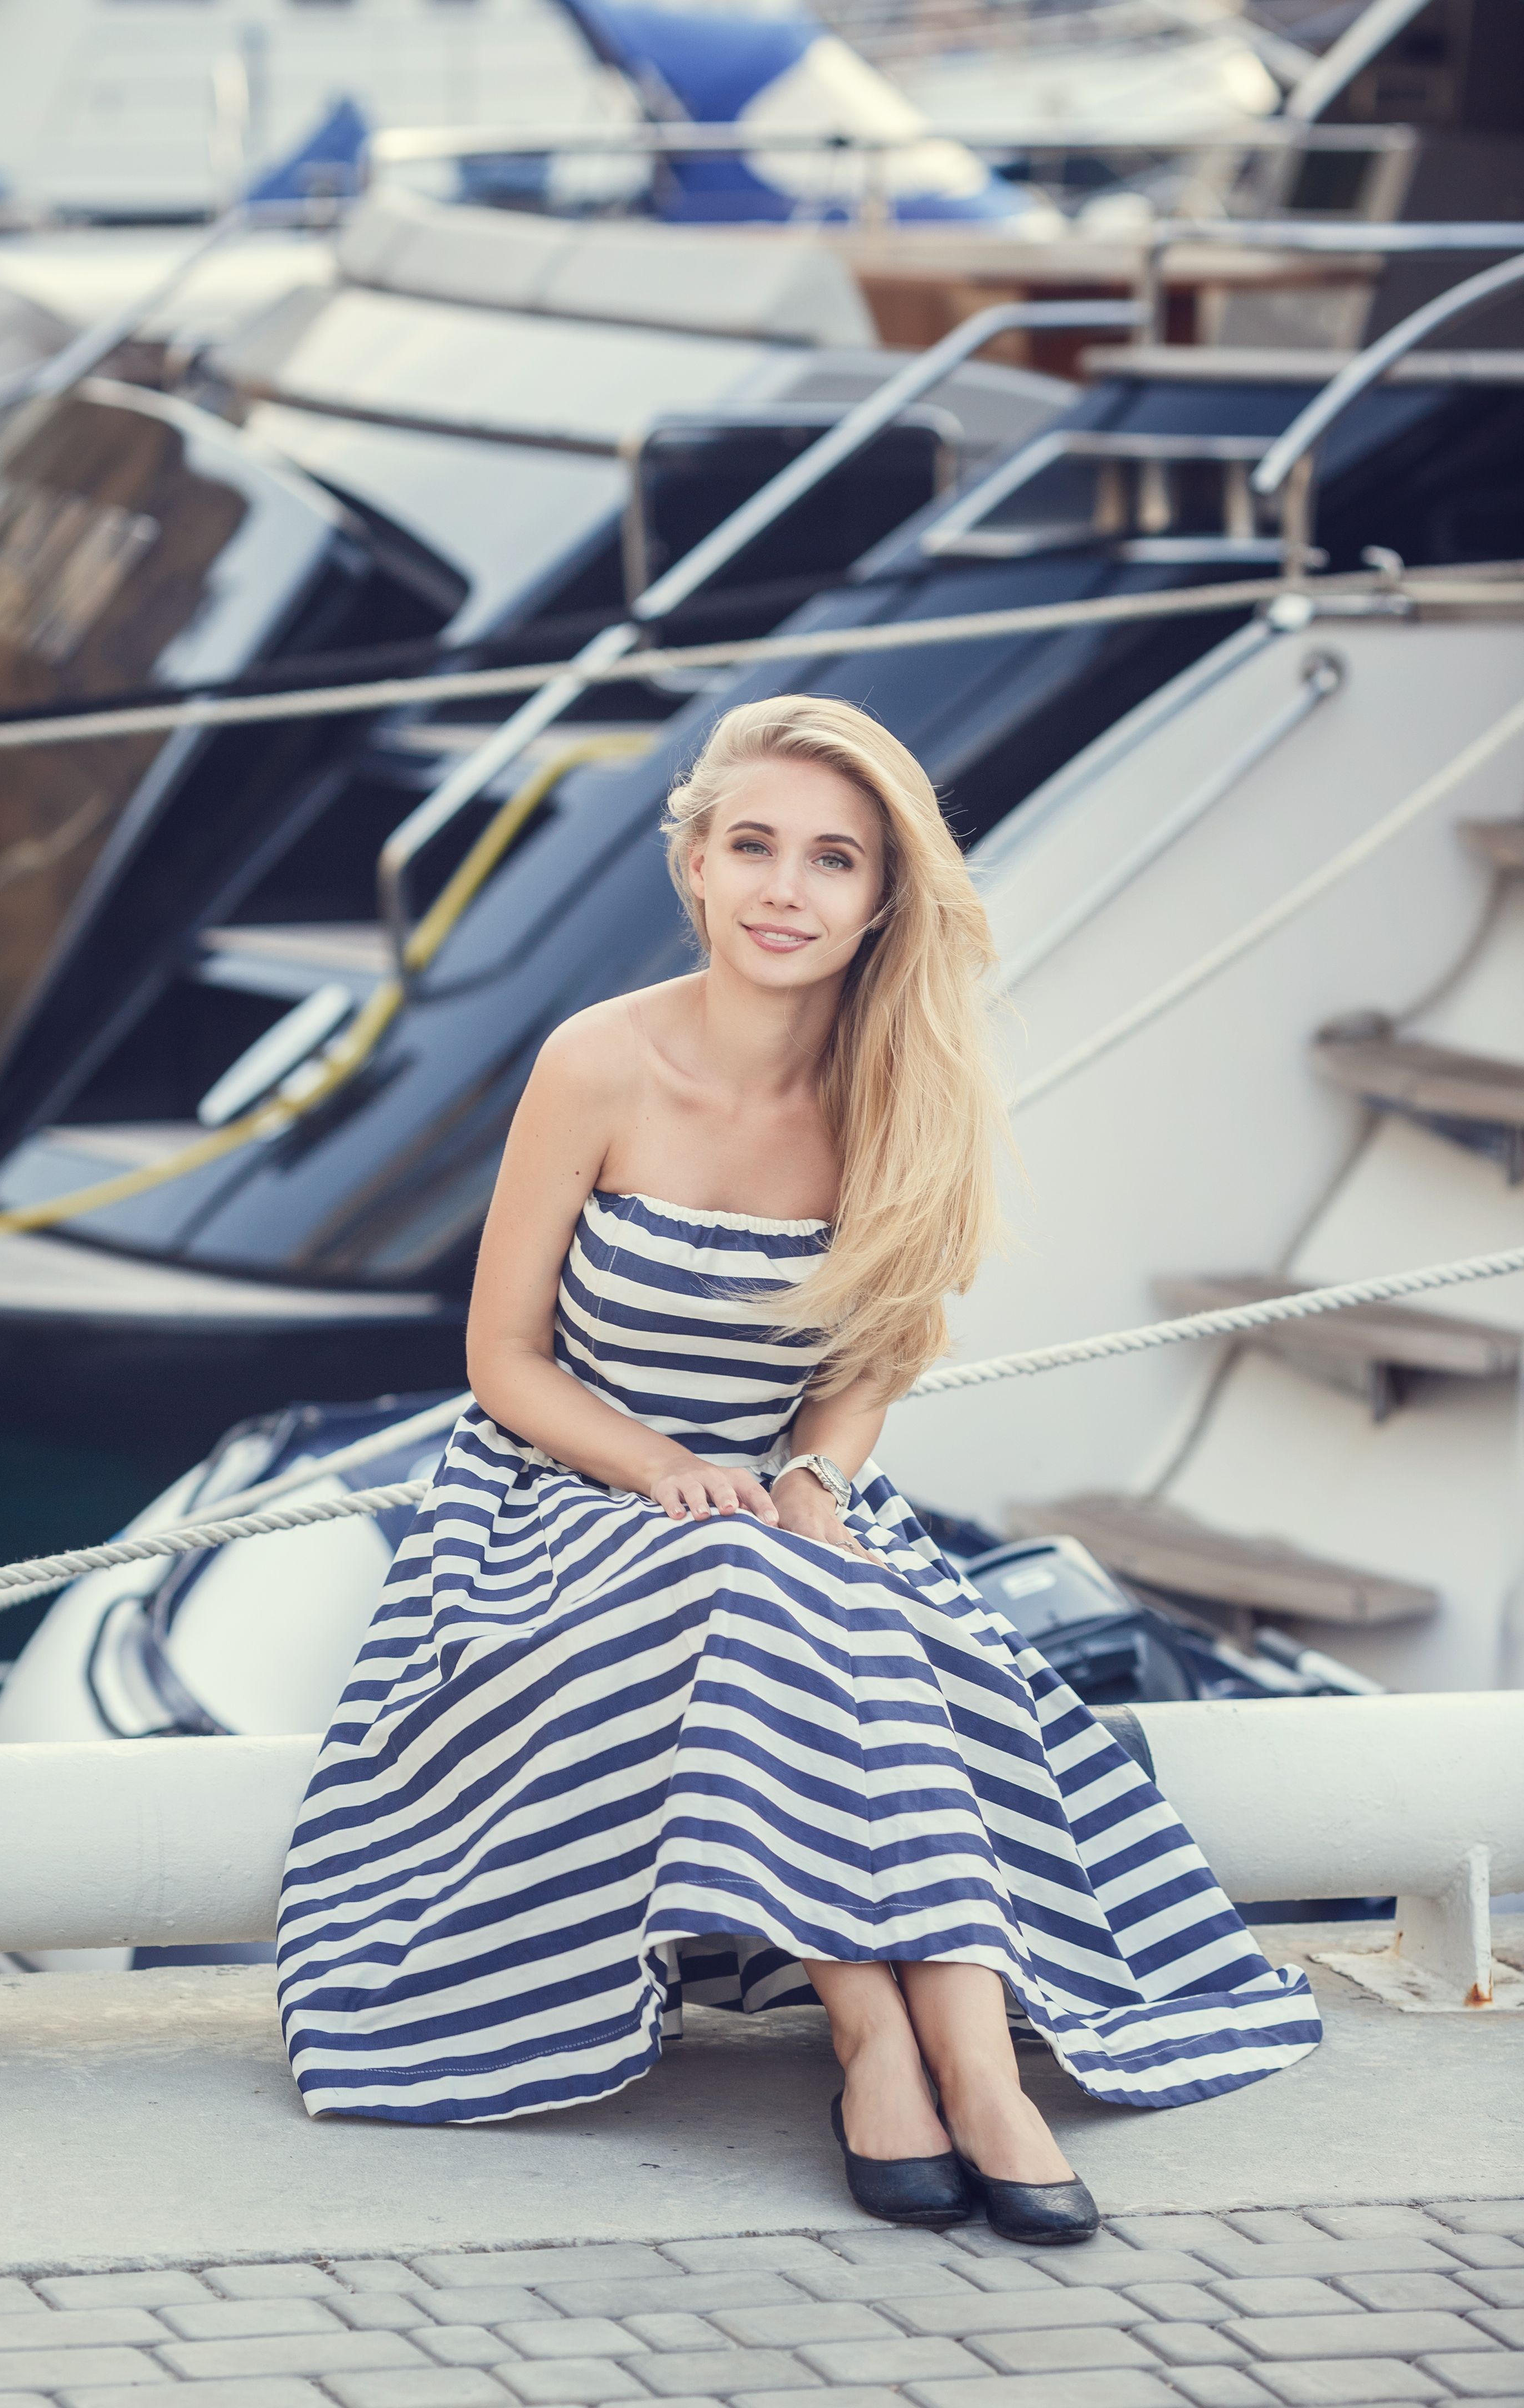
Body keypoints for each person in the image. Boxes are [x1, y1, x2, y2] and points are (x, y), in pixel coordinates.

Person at [278, 695, 1321, 2240]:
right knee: (754, 1574)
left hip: (789, 1502)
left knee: (813, 1590)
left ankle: (964, 2060)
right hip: (560, 1502)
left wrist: (816, 1487)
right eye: (752, 847)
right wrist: (666, 1474)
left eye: (833, 859)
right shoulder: (597, 1064)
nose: (786, 889)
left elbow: (868, 1367)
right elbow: (503, 1362)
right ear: (693, 866)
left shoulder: (910, 1088)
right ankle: (890, 2041)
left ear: (885, 894)